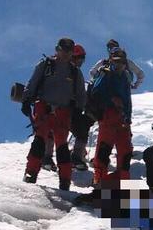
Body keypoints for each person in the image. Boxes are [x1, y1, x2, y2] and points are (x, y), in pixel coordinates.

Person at [20, 38, 87, 190]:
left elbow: (81, 95)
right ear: (57, 49)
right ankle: (31, 174)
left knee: (62, 147)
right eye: (63, 50)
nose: (65, 54)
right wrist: (26, 100)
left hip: (63, 113)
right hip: (44, 109)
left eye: (68, 51)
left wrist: (78, 110)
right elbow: (33, 83)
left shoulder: (75, 72)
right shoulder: (45, 65)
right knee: (39, 142)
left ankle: (65, 181)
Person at [89, 49, 134, 185]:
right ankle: (99, 184)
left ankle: (122, 187)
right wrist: (112, 99)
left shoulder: (125, 77)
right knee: (103, 151)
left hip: (122, 119)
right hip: (108, 115)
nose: (119, 64)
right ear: (111, 61)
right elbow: (95, 92)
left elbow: (128, 99)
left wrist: (128, 117)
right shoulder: (105, 73)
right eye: (116, 61)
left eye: (121, 61)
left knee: (125, 154)